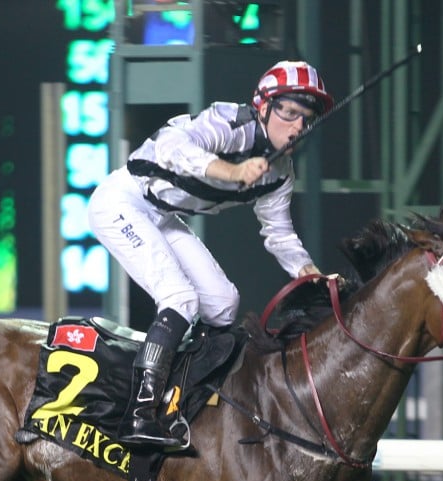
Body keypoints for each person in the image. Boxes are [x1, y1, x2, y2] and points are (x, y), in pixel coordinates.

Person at [88, 60, 334, 449]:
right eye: (289, 113)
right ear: (263, 106)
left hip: (163, 215)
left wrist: (310, 273)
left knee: (223, 302)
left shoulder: (280, 172)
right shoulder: (229, 121)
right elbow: (172, 146)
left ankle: (182, 400)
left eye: (306, 119)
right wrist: (232, 172)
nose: (297, 128)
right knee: (181, 298)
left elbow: (280, 235)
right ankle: (139, 415)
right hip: (123, 200)